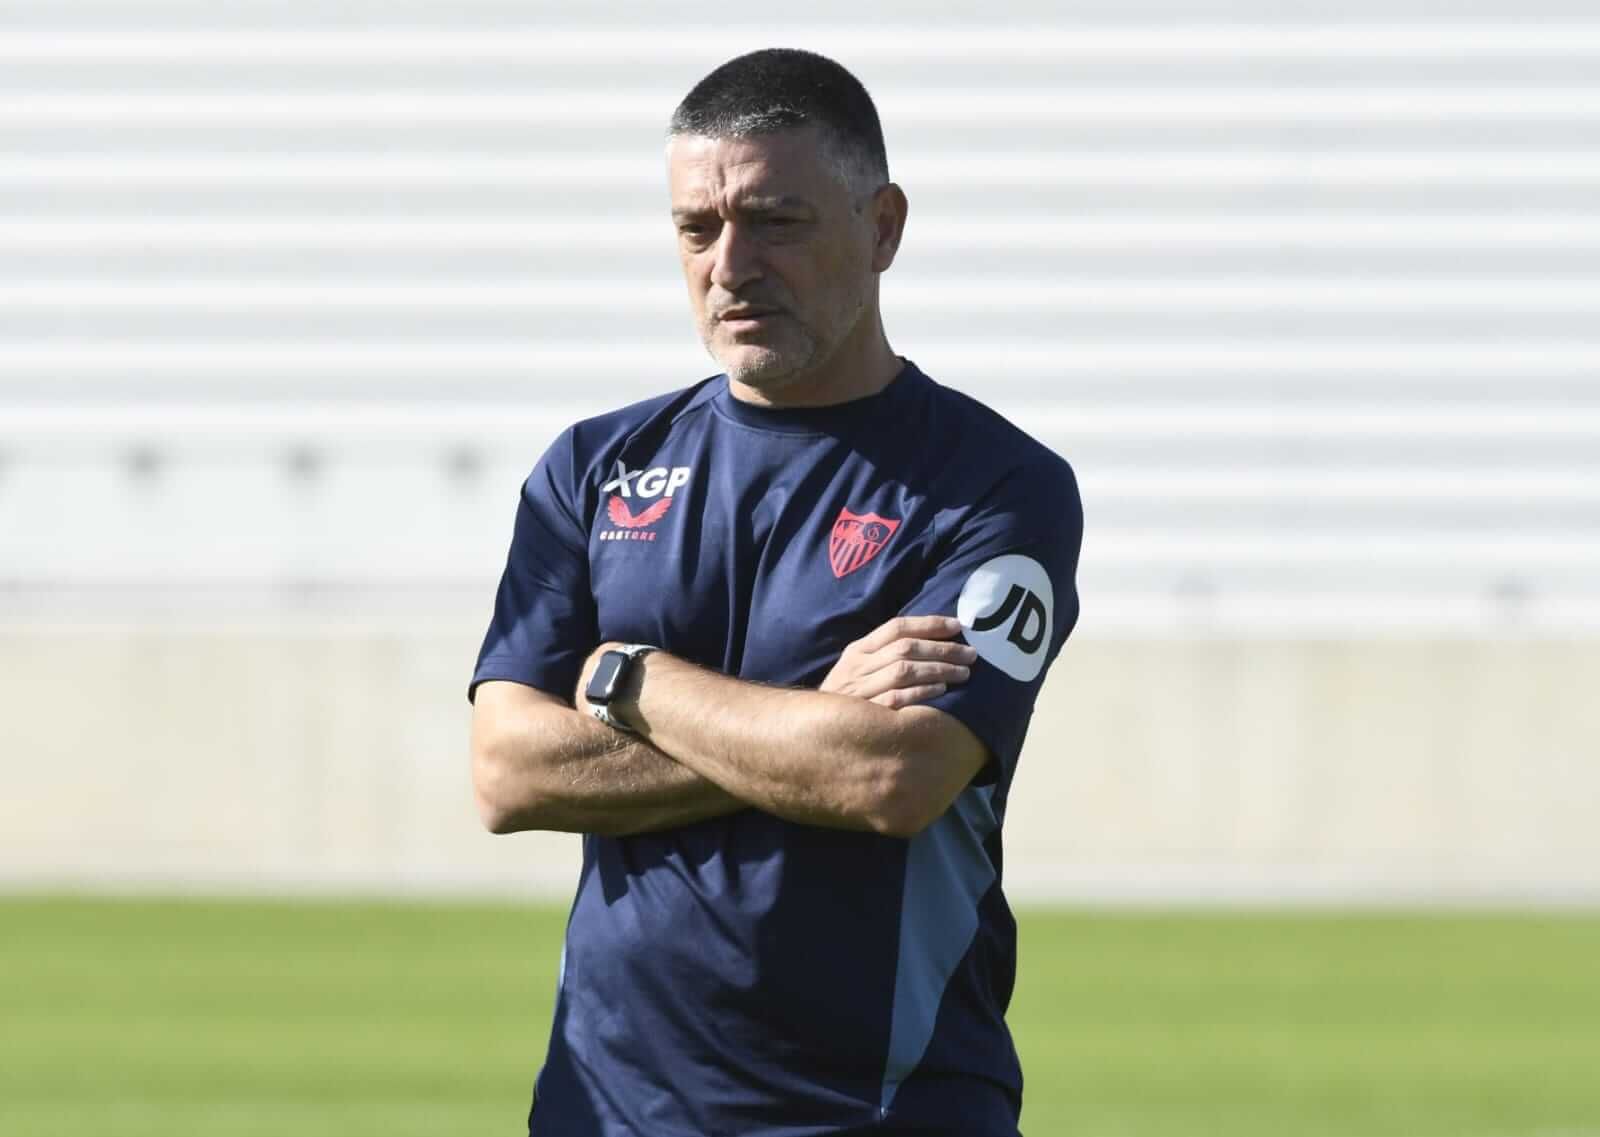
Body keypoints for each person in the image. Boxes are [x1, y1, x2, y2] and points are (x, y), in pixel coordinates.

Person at [469, 47, 1082, 1137]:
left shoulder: (996, 486)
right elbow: (508, 771)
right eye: (696, 229)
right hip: (605, 1109)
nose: (730, 266)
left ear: (884, 227)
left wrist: (627, 681)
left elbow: (890, 774)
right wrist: (806, 720)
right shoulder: (594, 469)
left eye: (776, 223)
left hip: (886, 1109)